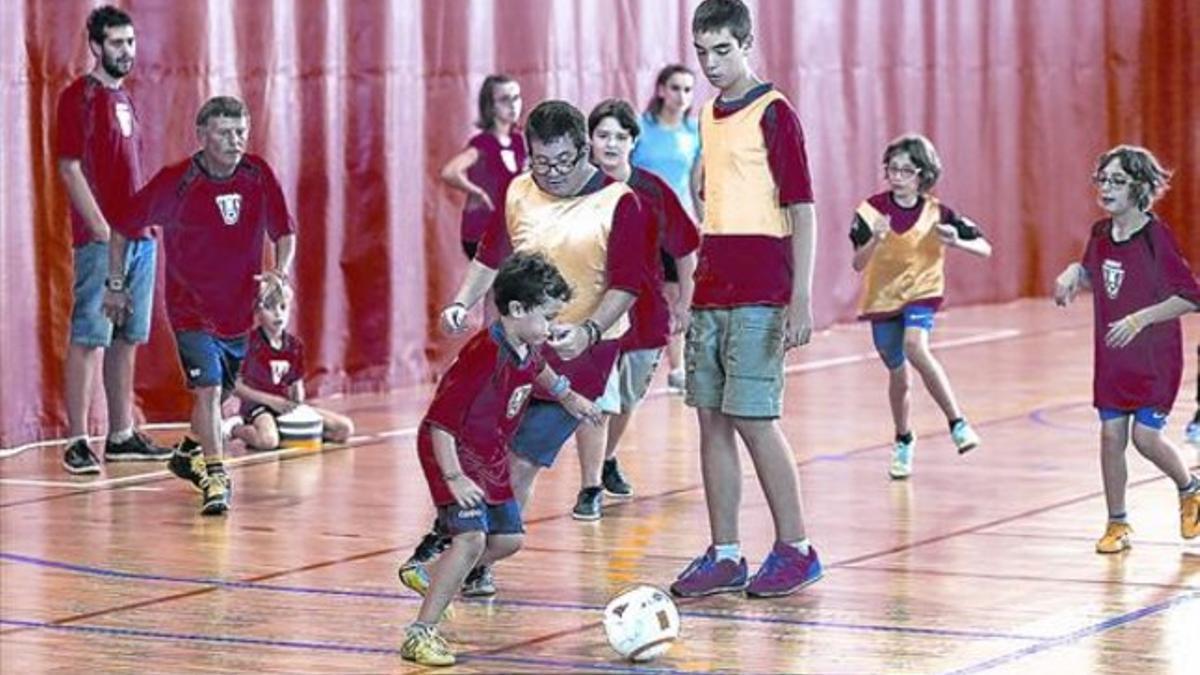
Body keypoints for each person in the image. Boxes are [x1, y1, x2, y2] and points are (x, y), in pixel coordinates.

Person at [399, 99, 654, 594]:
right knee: (483, 450)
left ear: (585, 150)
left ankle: (471, 561)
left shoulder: (620, 202)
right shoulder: (519, 191)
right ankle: (462, 543)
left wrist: (588, 332)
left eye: (563, 161)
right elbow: (490, 256)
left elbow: (627, 287)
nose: (552, 173)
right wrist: (460, 303)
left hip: (583, 352)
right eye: (541, 162)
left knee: (524, 459)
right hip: (516, 348)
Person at [671, 0, 822, 599]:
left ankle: (797, 547)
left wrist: (801, 296)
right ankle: (727, 552)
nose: (710, 63)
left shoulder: (775, 111)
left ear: (747, 42)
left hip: (763, 288)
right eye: (701, 51)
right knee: (711, 417)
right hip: (713, 284)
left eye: (722, 50)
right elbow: (712, 185)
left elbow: (802, 207)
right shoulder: (708, 113)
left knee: (755, 419)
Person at [400, 253, 600, 667]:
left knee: (509, 539)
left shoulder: (524, 344)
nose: (552, 326)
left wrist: (569, 397)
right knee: (471, 540)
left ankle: (432, 568)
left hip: (487, 453)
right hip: (453, 454)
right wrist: (453, 477)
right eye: (548, 316)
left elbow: (540, 370)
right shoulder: (482, 354)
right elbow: (439, 422)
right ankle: (420, 634)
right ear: (516, 309)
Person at [104, 96, 296, 515]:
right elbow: (122, 228)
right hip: (190, 309)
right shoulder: (178, 181)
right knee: (208, 389)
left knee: (219, 393)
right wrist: (116, 286)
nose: (235, 141)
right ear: (202, 135)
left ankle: (187, 453)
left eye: (241, 131)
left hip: (239, 312)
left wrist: (280, 273)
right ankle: (216, 476)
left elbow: (285, 232)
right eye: (225, 133)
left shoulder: (257, 174)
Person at [1053, 145, 1200, 553]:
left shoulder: (1156, 237)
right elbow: (1095, 274)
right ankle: (1117, 523)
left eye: (1117, 180)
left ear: (1141, 187)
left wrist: (1139, 319)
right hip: (1114, 357)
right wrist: (1072, 274)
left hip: (1156, 357)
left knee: (1146, 440)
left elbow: (1190, 296)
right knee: (1110, 436)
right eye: (1102, 179)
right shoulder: (1100, 234)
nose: (1106, 187)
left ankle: (1190, 487)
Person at [55, 5, 171, 474]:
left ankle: (120, 434)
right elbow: (69, 167)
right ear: (96, 46)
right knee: (91, 335)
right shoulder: (78, 98)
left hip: (139, 238)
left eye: (131, 41)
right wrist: (102, 229)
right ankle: (77, 440)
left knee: (128, 337)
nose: (127, 51)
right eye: (117, 43)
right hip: (104, 242)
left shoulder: (126, 99)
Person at [849, 134, 992, 479]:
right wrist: (874, 240)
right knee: (898, 374)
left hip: (922, 293)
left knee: (915, 346)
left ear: (923, 174)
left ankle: (957, 423)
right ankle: (903, 438)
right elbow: (857, 263)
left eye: (906, 171)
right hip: (882, 298)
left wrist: (958, 242)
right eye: (892, 169)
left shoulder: (939, 213)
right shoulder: (871, 211)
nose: (897, 177)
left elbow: (985, 248)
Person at [588, 98, 700, 498]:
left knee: (626, 398)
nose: (612, 144)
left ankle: (607, 458)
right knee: (601, 397)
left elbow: (686, 249)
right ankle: (590, 484)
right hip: (592, 312)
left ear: (633, 141)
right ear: (591, 141)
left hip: (647, 311)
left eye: (620, 136)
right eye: (603, 135)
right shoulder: (578, 189)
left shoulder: (652, 189)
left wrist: (686, 303)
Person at [632, 64, 703, 393]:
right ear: (661, 90)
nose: (682, 96)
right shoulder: (640, 130)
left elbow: (694, 181)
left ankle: (678, 367)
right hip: (642, 225)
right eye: (675, 88)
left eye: (688, 89)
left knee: (678, 294)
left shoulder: (693, 134)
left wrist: (700, 218)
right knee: (651, 294)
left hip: (679, 226)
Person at [227, 278, 354, 450]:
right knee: (267, 441)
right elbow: (234, 386)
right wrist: (271, 401)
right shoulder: (250, 344)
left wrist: (297, 401)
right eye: (269, 308)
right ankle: (235, 428)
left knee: (344, 429)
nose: (278, 314)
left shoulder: (294, 346)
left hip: (285, 407)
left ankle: (282, 432)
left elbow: (296, 386)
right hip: (258, 407)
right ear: (257, 312)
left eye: (282, 307)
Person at [439, 75, 526, 260]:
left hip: (507, 231)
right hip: (482, 231)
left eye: (516, 98)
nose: (513, 105)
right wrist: (477, 192)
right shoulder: (483, 143)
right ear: (491, 106)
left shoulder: (519, 141)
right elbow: (450, 172)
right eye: (504, 99)